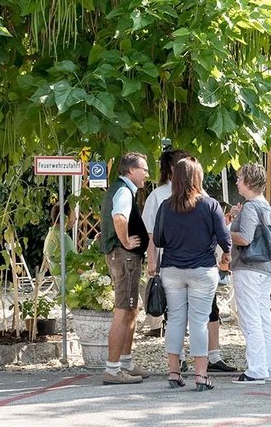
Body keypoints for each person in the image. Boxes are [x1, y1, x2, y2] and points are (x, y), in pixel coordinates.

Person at [144, 149, 237, 373]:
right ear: (197, 177)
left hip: (172, 269)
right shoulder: (209, 204)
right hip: (202, 269)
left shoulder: (165, 204)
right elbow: (225, 237)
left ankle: (174, 372)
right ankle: (201, 375)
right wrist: (226, 254)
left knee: (175, 320)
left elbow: (158, 238)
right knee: (199, 321)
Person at [99, 152, 152, 384]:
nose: (147, 173)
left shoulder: (122, 189)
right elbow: (119, 217)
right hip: (125, 257)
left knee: (131, 310)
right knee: (123, 311)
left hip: (125, 257)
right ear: (131, 170)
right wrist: (126, 242)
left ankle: (126, 363)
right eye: (144, 169)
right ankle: (112, 369)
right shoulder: (123, 191)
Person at [229, 163, 271, 384]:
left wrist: (227, 231)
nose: (237, 182)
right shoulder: (264, 205)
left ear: (249, 182)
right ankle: (269, 366)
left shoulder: (250, 207)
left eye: (239, 178)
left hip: (248, 267)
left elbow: (245, 238)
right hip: (266, 268)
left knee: (250, 318)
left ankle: (256, 369)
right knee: (263, 317)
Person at [143, 149, 189, 337]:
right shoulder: (159, 195)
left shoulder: (195, 192)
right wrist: (152, 260)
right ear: (173, 168)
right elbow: (150, 231)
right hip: (168, 255)